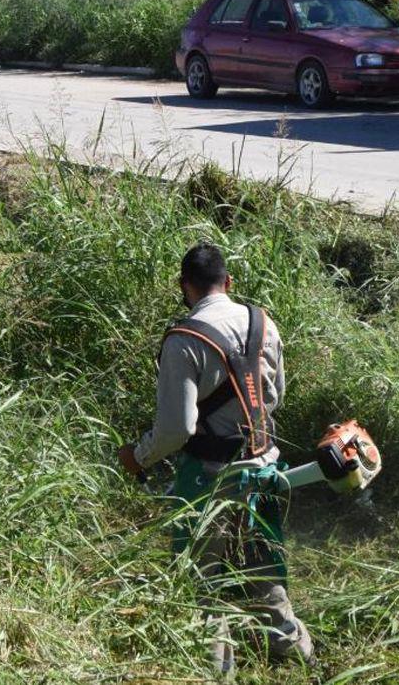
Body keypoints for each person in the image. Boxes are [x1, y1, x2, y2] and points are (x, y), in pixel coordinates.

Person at [117, 243, 313, 678]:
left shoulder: (185, 340)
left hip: (209, 477)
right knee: (265, 562)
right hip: (264, 466)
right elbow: (274, 395)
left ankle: (214, 667)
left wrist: (138, 455)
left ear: (185, 287)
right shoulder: (263, 323)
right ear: (227, 282)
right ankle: (291, 648)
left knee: (200, 578)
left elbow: (176, 429)